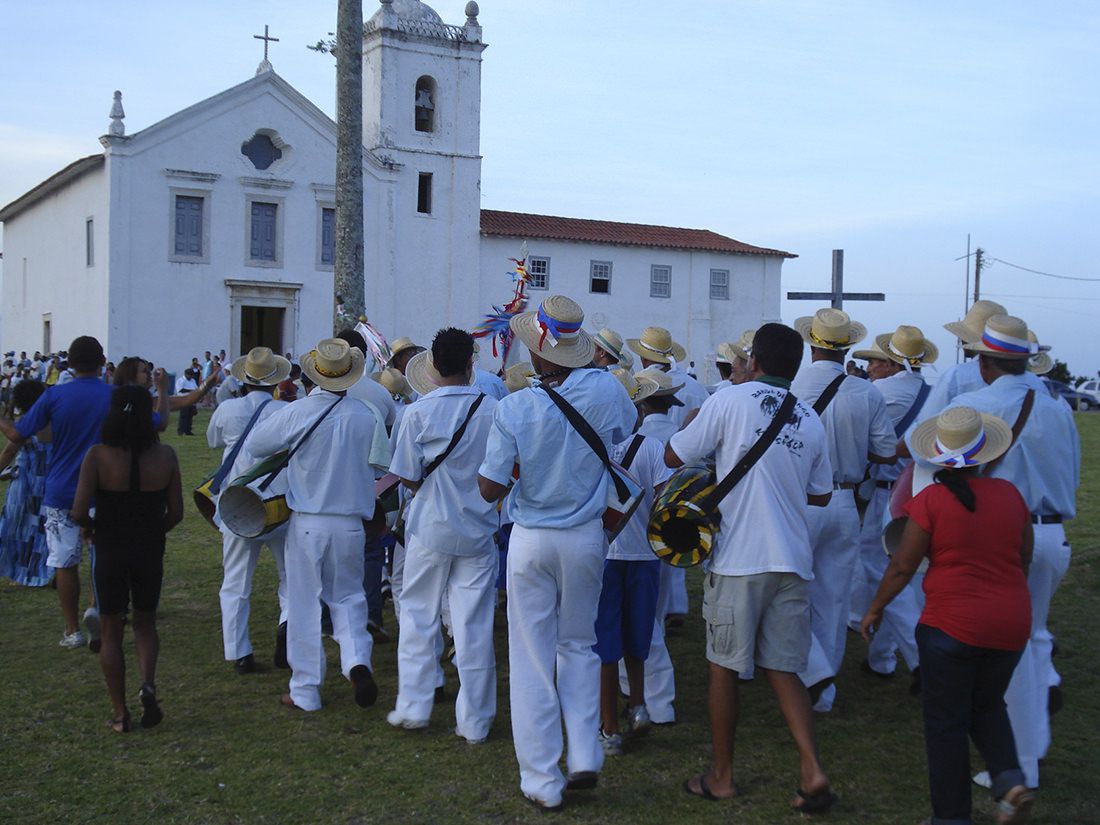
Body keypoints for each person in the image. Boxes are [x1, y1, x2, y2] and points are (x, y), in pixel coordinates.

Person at [666, 322, 835, 811]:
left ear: (753, 361)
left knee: (723, 666)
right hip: (792, 557)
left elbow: (677, 453)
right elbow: (820, 493)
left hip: (741, 557)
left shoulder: (729, 400)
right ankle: (812, 767)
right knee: (785, 670)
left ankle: (721, 776)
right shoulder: (808, 416)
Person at [477, 295, 636, 811]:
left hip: (531, 538)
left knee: (530, 658)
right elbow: (624, 431)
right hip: (587, 536)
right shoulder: (609, 392)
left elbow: (488, 488)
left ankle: (543, 778)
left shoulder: (515, 406)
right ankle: (586, 750)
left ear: (540, 354)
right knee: (578, 646)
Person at [862, 405, 1035, 825]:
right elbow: (1022, 559)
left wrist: (875, 608)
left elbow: (903, 565)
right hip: (1010, 621)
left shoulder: (932, 501)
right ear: (986, 455)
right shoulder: (1011, 496)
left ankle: (951, 817)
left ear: (937, 455)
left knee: (946, 723)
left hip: (950, 626)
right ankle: (1009, 781)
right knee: (988, 704)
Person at [937, 314, 1079, 791]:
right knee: (1034, 638)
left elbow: (933, 456)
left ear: (984, 362)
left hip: (1001, 535)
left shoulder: (973, 403)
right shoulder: (1058, 405)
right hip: (1053, 532)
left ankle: (1019, 764)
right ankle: (1030, 751)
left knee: (1009, 648)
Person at [248, 338, 388, 712]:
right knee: (349, 598)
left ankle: (306, 689)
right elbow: (379, 467)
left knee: (304, 604)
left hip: (309, 521)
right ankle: (357, 661)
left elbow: (257, 445)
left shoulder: (299, 412)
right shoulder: (366, 415)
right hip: (351, 524)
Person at [387, 328, 499, 742]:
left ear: (432, 365)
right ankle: (475, 720)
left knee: (418, 616)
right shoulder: (492, 408)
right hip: (478, 529)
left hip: (431, 528)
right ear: (471, 364)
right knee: (473, 624)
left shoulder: (416, 413)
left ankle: (414, 706)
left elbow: (407, 476)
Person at [790, 308, 894, 712]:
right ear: (847, 346)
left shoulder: (793, 388)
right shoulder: (866, 391)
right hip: (846, 498)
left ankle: (801, 672)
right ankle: (823, 692)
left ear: (811, 343)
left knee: (791, 590)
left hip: (800, 499)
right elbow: (885, 453)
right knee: (833, 597)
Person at [69, 386, 182, 732]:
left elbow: (77, 511)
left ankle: (120, 714)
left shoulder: (98, 456)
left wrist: (91, 527)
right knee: (146, 623)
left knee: (111, 629)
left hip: (110, 547)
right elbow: (176, 513)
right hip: (148, 547)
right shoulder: (165, 456)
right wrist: (154, 531)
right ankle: (148, 684)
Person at [0, 336, 113, 650]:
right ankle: (97, 611)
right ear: (102, 362)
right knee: (101, 557)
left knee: (64, 562)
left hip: (62, 490)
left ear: (70, 364)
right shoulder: (114, 395)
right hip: (105, 488)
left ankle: (72, 629)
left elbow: (17, 435)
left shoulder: (53, 396)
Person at [850, 325, 936, 680]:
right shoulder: (932, 392)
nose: (870, 368)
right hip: (923, 489)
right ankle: (882, 658)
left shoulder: (880, 392)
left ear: (892, 363)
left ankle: (922, 661)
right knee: (910, 575)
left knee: (883, 573)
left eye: (875, 361)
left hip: (888, 492)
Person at [206, 348, 292, 675]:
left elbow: (213, 441)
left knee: (236, 581)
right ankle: (287, 625)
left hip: (239, 503)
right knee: (290, 576)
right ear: (275, 380)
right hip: (278, 503)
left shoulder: (228, 409)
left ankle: (239, 651)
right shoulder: (286, 410)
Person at [596, 369, 668, 756]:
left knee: (605, 641)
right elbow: (662, 501)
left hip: (605, 555)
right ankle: (637, 704)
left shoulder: (595, 447)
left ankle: (609, 727)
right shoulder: (653, 448)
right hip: (644, 554)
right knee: (637, 638)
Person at [0, 380, 53, 587]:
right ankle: (43, 570)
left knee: (16, 528)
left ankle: (22, 574)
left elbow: (9, 452)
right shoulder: (52, 420)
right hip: (48, 481)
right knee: (42, 529)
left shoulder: (26, 422)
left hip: (25, 482)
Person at [174, 369, 199, 435]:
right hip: (183, 399)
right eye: (190, 375)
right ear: (186, 374)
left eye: (192, 375)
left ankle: (188, 431)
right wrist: (191, 391)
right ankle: (180, 431)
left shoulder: (193, 381)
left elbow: (196, 388)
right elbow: (180, 390)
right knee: (183, 416)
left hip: (192, 399)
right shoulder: (180, 380)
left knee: (190, 416)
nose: (191, 377)